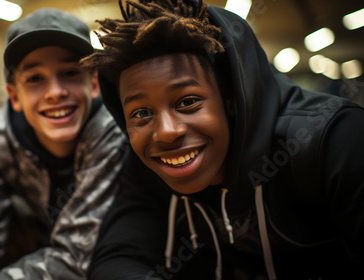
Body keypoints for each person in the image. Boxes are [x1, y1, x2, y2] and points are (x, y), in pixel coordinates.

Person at [80, 0, 364, 279]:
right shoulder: (146, 164)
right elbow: (118, 257)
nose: (166, 132)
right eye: (141, 113)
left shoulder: (333, 139)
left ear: (232, 100)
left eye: (188, 101)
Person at [0, 8, 127, 280]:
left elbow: (75, 257)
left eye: (69, 72)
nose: (55, 92)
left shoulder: (110, 130)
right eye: (34, 79)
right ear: (14, 96)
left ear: (93, 84)